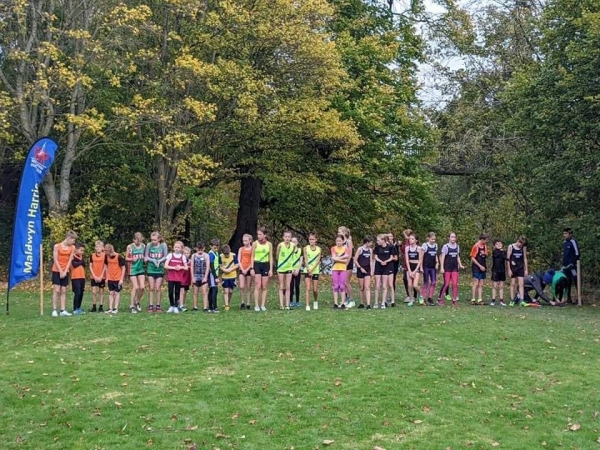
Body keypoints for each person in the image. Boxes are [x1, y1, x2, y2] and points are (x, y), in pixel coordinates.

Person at [51, 230, 77, 317]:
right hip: (56, 270)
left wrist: (65, 271)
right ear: (68, 238)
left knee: (63, 290)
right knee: (56, 290)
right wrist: (60, 270)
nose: (74, 242)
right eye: (73, 240)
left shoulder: (72, 248)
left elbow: (70, 260)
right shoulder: (57, 246)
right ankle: (54, 310)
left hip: (65, 271)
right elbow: (55, 259)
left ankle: (63, 310)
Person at [438, 232, 464, 306]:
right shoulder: (445, 246)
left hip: (455, 268)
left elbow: (457, 257)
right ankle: (440, 299)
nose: (453, 239)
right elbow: (442, 257)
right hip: (447, 268)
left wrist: (460, 264)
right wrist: (442, 267)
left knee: (455, 284)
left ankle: (454, 299)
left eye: (454, 237)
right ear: (449, 238)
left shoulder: (457, 246)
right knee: (446, 284)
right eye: (452, 237)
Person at [145, 232, 168, 313]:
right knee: (151, 288)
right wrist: (153, 260)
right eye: (152, 240)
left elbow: (166, 256)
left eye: (155, 240)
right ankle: (151, 305)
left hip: (160, 269)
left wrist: (159, 261)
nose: (153, 241)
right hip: (151, 268)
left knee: (158, 288)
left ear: (159, 239)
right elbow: (146, 256)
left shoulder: (163, 245)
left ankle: (158, 305)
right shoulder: (149, 245)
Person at [252, 228, 273, 312]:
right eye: (258, 234)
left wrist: (271, 269)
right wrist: (252, 268)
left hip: (265, 265)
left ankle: (263, 305)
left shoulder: (269, 244)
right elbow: (252, 256)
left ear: (265, 235)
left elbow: (270, 257)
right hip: (257, 264)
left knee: (264, 286)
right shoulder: (255, 243)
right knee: (258, 285)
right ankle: (256, 305)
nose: (259, 236)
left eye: (260, 234)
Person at [164, 241, 188, 314]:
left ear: (181, 249)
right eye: (175, 247)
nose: (177, 249)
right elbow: (165, 266)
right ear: (173, 248)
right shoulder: (170, 255)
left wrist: (180, 267)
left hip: (179, 278)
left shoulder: (183, 257)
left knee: (177, 292)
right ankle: (171, 306)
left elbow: (186, 268)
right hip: (171, 277)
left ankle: (175, 306)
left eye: (178, 247)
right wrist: (174, 267)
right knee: (170, 292)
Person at [373, 234, 395, 309]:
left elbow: (392, 257)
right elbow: (375, 256)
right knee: (377, 285)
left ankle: (383, 302)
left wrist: (385, 261)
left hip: (387, 267)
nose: (377, 241)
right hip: (378, 267)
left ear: (383, 240)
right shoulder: (377, 247)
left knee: (384, 285)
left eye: (378, 240)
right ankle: (376, 302)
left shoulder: (390, 247)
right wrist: (380, 261)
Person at [126, 232, 146, 314]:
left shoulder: (144, 246)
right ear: (134, 239)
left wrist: (145, 258)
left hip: (140, 268)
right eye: (137, 241)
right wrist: (131, 259)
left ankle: (137, 301)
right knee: (136, 287)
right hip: (133, 269)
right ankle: (131, 306)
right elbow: (126, 258)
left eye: (140, 241)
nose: (138, 242)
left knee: (142, 287)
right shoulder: (130, 247)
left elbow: (145, 255)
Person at [104, 243, 126, 314]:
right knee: (111, 293)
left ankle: (115, 308)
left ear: (110, 251)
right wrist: (107, 277)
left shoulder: (119, 257)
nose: (105, 252)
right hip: (110, 278)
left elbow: (123, 268)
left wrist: (121, 279)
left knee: (117, 293)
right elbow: (106, 267)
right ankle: (110, 308)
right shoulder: (106, 257)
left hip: (117, 278)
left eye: (106, 251)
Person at [276, 231, 295, 310]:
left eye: (289, 237)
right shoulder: (280, 245)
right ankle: (281, 305)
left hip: (289, 268)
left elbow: (293, 256)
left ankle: (287, 305)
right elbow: (277, 256)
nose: (287, 238)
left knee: (288, 286)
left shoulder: (293, 245)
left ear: (290, 238)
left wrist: (292, 267)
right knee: (281, 286)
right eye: (286, 237)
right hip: (281, 268)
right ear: (283, 237)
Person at [507, 236, 528, 306]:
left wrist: (526, 269)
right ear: (518, 241)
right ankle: (512, 300)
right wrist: (509, 269)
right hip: (513, 268)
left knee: (521, 284)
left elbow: (525, 258)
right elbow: (508, 259)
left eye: (522, 245)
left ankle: (522, 300)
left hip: (520, 267)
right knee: (512, 284)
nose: (521, 246)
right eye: (520, 244)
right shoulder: (511, 246)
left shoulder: (523, 247)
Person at [303, 232, 321, 311]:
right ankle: (307, 305)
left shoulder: (319, 249)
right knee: (308, 288)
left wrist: (312, 270)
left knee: (315, 289)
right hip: (307, 270)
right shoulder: (305, 248)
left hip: (315, 270)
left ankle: (315, 301)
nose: (311, 241)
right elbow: (305, 259)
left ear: (316, 240)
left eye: (313, 239)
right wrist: (308, 269)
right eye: (310, 239)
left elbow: (318, 261)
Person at [331, 234, 350, 309]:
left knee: (342, 286)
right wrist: (342, 258)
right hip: (335, 269)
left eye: (340, 241)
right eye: (337, 241)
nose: (338, 242)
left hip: (343, 269)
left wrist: (338, 257)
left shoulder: (346, 248)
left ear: (343, 241)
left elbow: (346, 260)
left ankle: (342, 303)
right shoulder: (333, 248)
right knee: (335, 286)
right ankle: (335, 303)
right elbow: (333, 258)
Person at [354, 236, 373, 309]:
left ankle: (368, 304)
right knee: (361, 287)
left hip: (367, 270)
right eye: (370, 242)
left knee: (367, 287)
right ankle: (362, 303)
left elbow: (371, 260)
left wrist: (371, 270)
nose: (371, 244)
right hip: (360, 269)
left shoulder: (370, 250)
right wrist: (360, 268)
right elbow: (355, 260)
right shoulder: (360, 249)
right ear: (367, 242)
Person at [470, 233, 489, 306]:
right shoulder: (476, 246)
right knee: (476, 283)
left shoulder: (485, 246)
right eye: (486, 240)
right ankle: (473, 299)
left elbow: (486, 255)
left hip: (483, 266)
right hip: (476, 267)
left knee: (481, 283)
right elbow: (472, 257)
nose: (486, 242)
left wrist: (485, 253)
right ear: (482, 239)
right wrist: (479, 266)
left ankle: (480, 299)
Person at [562, 228, 580, 304]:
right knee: (567, 282)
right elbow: (564, 255)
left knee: (576, 280)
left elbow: (577, 254)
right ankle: (568, 298)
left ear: (570, 234)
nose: (564, 235)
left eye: (566, 234)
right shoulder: (564, 242)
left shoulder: (573, 242)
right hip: (565, 267)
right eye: (564, 234)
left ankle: (579, 299)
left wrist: (572, 263)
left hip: (572, 267)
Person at [420, 232, 439, 306]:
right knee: (426, 282)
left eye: (434, 239)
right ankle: (422, 298)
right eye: (432, 239)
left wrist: (437, 262)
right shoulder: (425, 245)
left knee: (434, 282)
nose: (433, 241)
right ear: (428, 238)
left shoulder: (436, 245)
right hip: (426, 267)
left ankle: (430, 298)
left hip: (432, 267)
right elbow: (421, 257)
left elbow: (435, 254)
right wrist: (421, 267)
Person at [338, 226, 355, 308]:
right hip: (341, 263)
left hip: (348, 264)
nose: (338, 233)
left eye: (340, 232)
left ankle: (352, 300)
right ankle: (344, 300)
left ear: (344, 232)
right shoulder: (340, 241)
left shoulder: (348, 241)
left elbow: (350, 254)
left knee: (346, 282)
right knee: (342, 283)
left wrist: (346, 264)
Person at [191, 242, 210, 312]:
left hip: (203, 276)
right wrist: (192, 277)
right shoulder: (193, 256)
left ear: (204, 249)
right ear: (196, 249)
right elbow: (192, 267)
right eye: (198, 250)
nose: (200, 251)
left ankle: (205, 307)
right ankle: (195, 306)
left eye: (201, 250)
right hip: (196, 276)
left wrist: (205, 277)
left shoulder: (206, 256)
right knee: (195, 292)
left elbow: (208, 266)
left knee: (204, 292)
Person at [400, 229, 418, 302]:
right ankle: (409, 295)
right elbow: (403, 250)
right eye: (406, 235)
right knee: (405, 279)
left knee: (414, 281)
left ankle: (415, 295)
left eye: (408, 235)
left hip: (414, 265)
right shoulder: (406, 243)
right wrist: (401, 245)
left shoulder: (414, 242)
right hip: (406, 265)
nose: (406, 236)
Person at [220, 244, 239, 311]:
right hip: (225, 276)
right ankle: (226, 305)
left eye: (227, 254)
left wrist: (230, 270)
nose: (226, 256)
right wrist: (224, 270)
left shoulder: (233, 255)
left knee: (230, 291)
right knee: (226, 291)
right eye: (225, 255)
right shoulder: (221, 256)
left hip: (232, 276)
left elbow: (237, 265)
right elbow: (220, 265)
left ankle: (228, 302)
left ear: (230, 250)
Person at [237, 234, 254, 310]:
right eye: (243, 240)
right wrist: (242, 269)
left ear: (250, 240)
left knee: (248, 287)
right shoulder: (241, 249)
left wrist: (247, 269)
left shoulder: (252, 249)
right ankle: (242, 302)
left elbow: (252, 260)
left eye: (246, 240)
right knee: (241, 286)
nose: (244, 242)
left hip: (249, 269)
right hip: (242, 269)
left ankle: (248, 303)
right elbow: (238, 259)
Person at [404, 233, 422, 306]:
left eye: (412, 239)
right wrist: (409, 271)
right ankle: (411, 299)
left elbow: (420, 261)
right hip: (409, 267)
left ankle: (421, 295)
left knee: (415, 285)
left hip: (416, 267)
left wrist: (414, 271)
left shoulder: (419, 248)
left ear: (416, 240)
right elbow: (407, 260)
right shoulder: (407, 248)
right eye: (410, 238)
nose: (410, 240)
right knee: (409, 285)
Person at [89, 240, 106, 313]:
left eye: (100, 246)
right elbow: (90, 266)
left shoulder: (105, 255)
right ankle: (94, 307)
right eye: (97, 246)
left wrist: (101, 275)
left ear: (102, 248)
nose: (98, 248)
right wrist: (94, 276)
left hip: (102, 276)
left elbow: (105, 266)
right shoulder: (92, 255)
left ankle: (101, 307)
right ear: (95, 248)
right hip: (94, 276)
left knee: (101, 292)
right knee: (94, 292)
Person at [490, 239, 507, 306]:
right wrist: (502, 252)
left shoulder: (504, 252)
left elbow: (505, 258)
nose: (499, 245)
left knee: (501, 286)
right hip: (495, 270)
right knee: (494, 286)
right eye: (497, 244)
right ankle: (493, 300)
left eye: (500, 243)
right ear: (494, 246)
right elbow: (497, 255)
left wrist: (510, 260)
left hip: (502, 270)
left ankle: (501, 300)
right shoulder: (494, 251)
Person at [70, 242, 86, 315]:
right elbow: (74, 265)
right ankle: (75, 308)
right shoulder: (72, 256)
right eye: (81, 250)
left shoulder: (81, 257)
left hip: (82, 276)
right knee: (77, 293)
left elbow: (84, 264)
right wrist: (81, 262)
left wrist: (81, 261)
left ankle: (79, 308)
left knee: (81, 293)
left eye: (83, 251)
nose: (82, 252)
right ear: (76, 250)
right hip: (75, 277)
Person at [208, 239, 221, 313]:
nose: (216, 248)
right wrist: (215, 277)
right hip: (212, 274)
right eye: (214, 247)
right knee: (214, 290)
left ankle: (210, 307)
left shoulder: (216, 253)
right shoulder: (211, 254)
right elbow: (211, 266)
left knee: (212, 290)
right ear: (211, 246)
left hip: (215, 273)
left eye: (217, 247)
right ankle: (214, 307)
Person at [289, 237, 303, 308]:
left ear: (297, 243)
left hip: (297, 271)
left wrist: (297, 270)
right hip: (290, 271)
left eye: (295, 242)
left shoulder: (300, 250)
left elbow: (301, 261)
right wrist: (292, 270)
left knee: (297, 286)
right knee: (291, 286)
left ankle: (297, 301)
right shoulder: (289, 250)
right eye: (292, 242)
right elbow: (288, 261)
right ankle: (291, 301)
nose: (293, 243)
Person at [179, 246, 192, 311]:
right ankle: (181, 305)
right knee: (182, 291)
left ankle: (182, 304)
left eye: (188, 253)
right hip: (181, 278)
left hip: (188, 279)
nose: (186, 255)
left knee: (185, 292)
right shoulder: (181, 261)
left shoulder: (191, 261)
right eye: (185, 253)